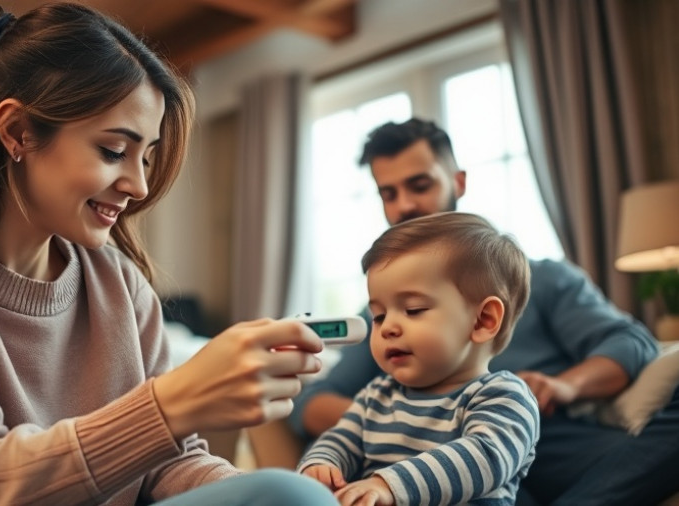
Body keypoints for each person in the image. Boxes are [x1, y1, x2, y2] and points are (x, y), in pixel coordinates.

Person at [0, 3, 338, 505]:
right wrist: (173, 402)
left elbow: (170, 466)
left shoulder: (121, 284)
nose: (140, 186)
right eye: (113, 151)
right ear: (17, 132)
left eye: (146, 157)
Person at [289, 118, 679, 505]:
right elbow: (313, 403)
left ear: (458, 182)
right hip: (425, 471)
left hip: (554, 445)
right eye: (388, 193)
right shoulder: (386, 323)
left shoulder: (545, 280)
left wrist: (566, 385)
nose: (404, 204)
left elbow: (631, 343)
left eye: (419, 185)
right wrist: (409, 421)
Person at [299, 212, 539, 506]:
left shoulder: (503, 397)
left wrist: (389, 485)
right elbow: (340, 439)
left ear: (482, 321)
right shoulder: (376, 396)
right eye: (379, 315)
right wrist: (321, 465)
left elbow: (485, 457)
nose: (388, 327)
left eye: (413, 309)